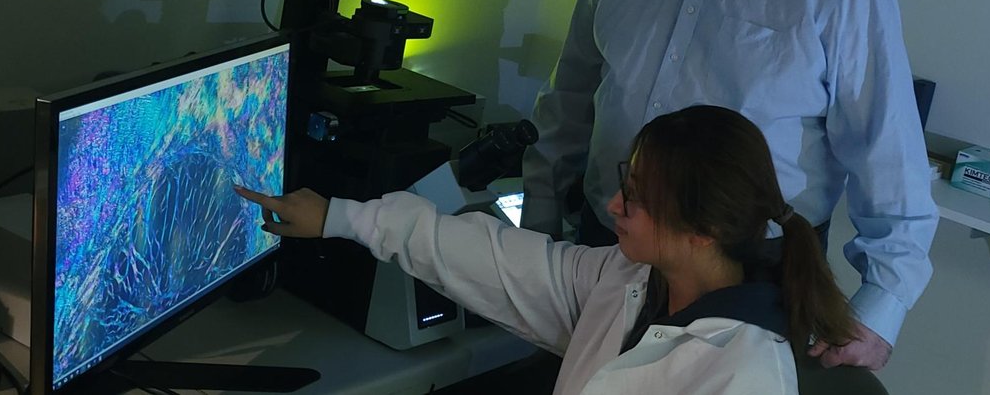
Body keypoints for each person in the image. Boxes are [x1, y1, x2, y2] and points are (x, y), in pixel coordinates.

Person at [519, 0, 938, 371]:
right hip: (608, 245)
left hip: (746, 278)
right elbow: (576, 89)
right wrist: (540, 210)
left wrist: (881, 306)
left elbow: (888, 155)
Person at [236, 105, 860, 395]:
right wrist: (342, 217)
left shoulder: (742, 377)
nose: (612, 207)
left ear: (701, 231)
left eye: (635, 200)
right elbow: (505, 263)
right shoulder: (633, 279)